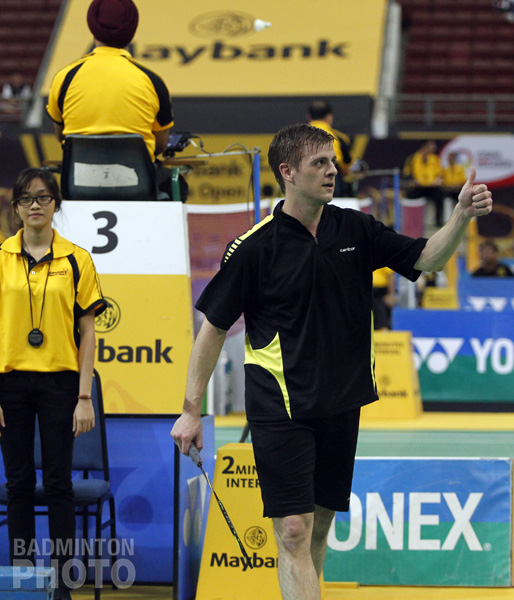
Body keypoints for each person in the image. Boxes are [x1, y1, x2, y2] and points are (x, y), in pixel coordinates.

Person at [171, 123, 492, 600]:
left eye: (332, 161)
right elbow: (213, 327)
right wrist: (191, 409)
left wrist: (461, 215)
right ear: (288, 172)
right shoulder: (254, 247)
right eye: (319, 162)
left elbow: (426, 259)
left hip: (341, 401)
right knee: (293, 530)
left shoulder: (355, 228)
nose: (332, 171)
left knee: (318, 526)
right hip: (281, 404)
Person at [0, 168, 107, 600]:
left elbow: (89, 333)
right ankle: (23, 582)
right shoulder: (1, 256)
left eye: (43, 197)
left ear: (56, 204)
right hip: (9, 384)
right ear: (16, 208)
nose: (35, 206)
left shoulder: (76, 259)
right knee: (19, 484)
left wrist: (85, 396)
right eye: (26, 199)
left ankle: (63, 585)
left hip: (62, 385)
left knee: (60, 484)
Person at [46, 0, 180, 199]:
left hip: (79, 187)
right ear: (132, 30)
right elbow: (160, 145)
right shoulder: (152, 81)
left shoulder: (65, 77)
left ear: (92, 27)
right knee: (177, 185)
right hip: (138, 188)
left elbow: (61, 136)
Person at [307, 100, 353, 197]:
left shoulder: (298, 136)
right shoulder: (339, 137)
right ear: (329, 117)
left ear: (309, 117)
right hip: (334, 179)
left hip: (307, 177)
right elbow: (347, 166)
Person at [407, 140, 445, 227]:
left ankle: (438, 222)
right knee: (410, 196)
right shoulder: (412, 159)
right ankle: (413, 222)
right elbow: (407, 174)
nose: (434, 148)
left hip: (432, 187)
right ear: (424, 147)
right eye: (431, 146)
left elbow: (441, 174)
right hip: (418, 187)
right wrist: (412, 181)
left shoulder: (435, 159)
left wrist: (438, 180)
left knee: (440, 196)